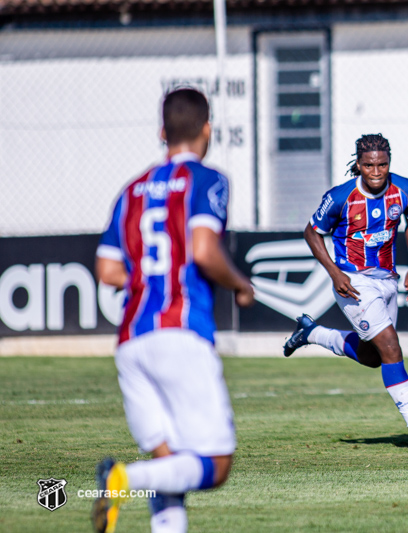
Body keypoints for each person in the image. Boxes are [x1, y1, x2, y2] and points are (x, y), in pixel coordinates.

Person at [91, 88, 255, 533]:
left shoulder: (131, 190)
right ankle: (124, 479)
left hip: (130, 341)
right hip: (179, 333)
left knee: (174, 469)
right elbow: (203, 249)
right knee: (215, 465)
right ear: (208, 130)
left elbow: (107, 269)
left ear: (162, 132)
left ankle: (141, 488)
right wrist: (240, 283)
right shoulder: (208, 180)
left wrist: (147, 278)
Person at [282, 133, 408, 449]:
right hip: (353, 282)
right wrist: (334, 272)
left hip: (387, 280)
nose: (376, 171)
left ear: (389, 163)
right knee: (391, 347)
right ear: (358, 164)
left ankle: (312, 333)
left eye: (382, 165)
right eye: (369, 165)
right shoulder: (341, 197)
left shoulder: (404, 190)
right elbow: (312, 232)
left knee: (375, 357)